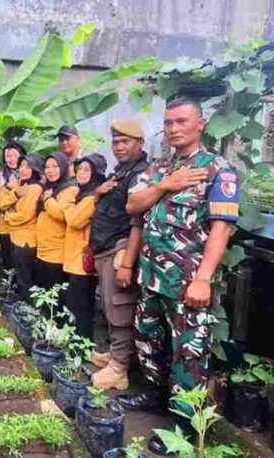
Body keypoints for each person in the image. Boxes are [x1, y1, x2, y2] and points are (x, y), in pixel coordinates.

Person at [121, 99, 239, 455]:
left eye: (182, 121)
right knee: (149, 342)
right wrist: (166, 185)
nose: (173, 128)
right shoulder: (161, 167)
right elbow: (133, 207)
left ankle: (186, 429)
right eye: (168, 122)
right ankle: (158, 397)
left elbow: (221, 229)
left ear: (200, 124)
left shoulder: (218, 169)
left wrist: (203, 278)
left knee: (188, 355)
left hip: (188, 285)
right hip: (153, 279)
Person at [89, 119, 149, 391]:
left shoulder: (141, 174)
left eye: (125, 142)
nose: (119, 146)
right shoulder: (121, 171)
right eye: (115, 142)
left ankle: (119, 369)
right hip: (105, 248)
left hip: (119, 249)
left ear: (140, 144)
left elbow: (137, 219)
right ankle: (115, 354)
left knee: (120, 308)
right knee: (111, 307)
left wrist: (126, 262)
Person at [63, 154, 107, 339]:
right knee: (76, 305)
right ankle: (77, 346)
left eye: (87, 169)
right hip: (75, 258)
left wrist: (67, 206)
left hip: (81, 260)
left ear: (96, 173)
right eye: (80, 168)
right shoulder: (83, 194)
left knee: (82, 308)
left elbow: (73, 220)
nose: (81, 172)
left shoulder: (90, 198)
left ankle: (81, 348)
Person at [4, 154, 44, 299]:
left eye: (28, 166)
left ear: (35, 169)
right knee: (21, 278)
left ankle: (27, 311)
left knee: (25, 280)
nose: (23, 170)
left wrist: (8, 216)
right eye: (21, 166)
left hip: (26, 240)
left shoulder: (34, 188)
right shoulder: (23, 186)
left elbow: (25, 215)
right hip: (18, 238)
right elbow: (2, 202)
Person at [36, 152, 78, 291]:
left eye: (55, 166)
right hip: (43, 249)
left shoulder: (69, 188)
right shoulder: (49, 188)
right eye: (47, 167)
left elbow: (61, 214)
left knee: (55, 295)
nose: (50, 170)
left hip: (57, 252)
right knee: (44, 293)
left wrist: (48, 199)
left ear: (64, 168)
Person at [0, 141, 26, 276]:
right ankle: (9, 285)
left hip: (23, 223)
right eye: (8, 156)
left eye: (14, 155)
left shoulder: (27, 174)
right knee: (7, 256)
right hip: (5, 223)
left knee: (21, 258)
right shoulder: (1, 175)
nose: (11, 159)